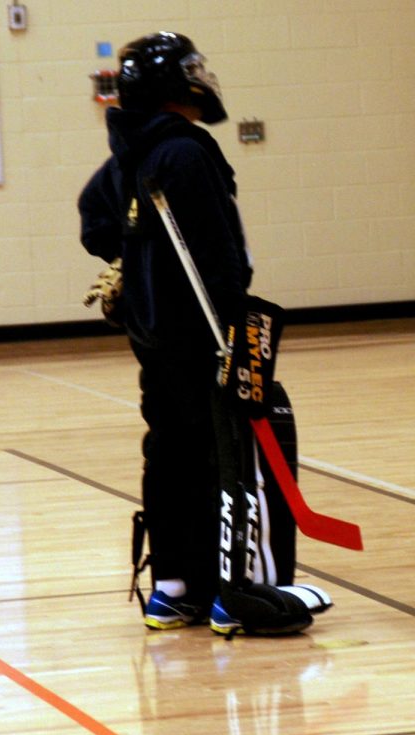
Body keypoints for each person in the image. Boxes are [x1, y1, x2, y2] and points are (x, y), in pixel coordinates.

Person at [78, 32, 257, 630]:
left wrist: (136, 263)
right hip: (200, 329)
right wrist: (235, 319)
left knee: (170, 449)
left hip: (153, 331)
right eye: (192, 68)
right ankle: (220, 587)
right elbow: (215, 250)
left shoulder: (131, 147)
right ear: (170, 84)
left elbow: (94, 216)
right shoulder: (183, 150)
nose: (201, 76)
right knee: (212, 454)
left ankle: (173, 584)